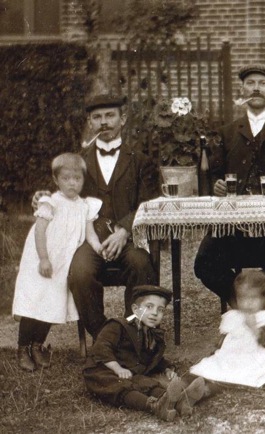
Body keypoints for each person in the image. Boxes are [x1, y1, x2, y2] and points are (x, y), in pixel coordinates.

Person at [34, 93, 159, 339]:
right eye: (97, 117)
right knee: (80, 272)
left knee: (142, 265)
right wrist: (42, 197)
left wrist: (124, 231)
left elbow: (149, 204)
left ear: (123, 119)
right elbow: (61, 194)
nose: (104, 122)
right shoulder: (78, 162)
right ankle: (105, 336)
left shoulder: (141, 161)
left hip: (128, 239)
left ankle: (134, 333)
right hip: (88, 239)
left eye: (110, 116)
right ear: (90, 122)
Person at [194, 64, 265, 306]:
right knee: (204, 261)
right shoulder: (228, 131)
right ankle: (241, 303)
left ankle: (260, 304)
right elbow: (213, 173)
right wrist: (217, 185)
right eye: (250, 83)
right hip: (234, 226)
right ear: (242, 89)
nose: (256, 88)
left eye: (263, 83)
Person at [13, 153, 103, 371]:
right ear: (56, 180)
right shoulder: (50, 203)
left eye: (77, 179)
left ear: (83, 180)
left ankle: (37, 345)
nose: (72, 183)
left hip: (61, 266)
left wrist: (100, 248)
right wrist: (44, 258)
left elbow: (90, 233)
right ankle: (23, 348)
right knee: (35, 303)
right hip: (42, 261)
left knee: (51, 305)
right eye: (66, 178)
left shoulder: (85, 206)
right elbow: (39, 232)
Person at [83, 285, 211, 422]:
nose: (155, 313)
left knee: (147, 383)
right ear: (135, 309)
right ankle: (154, 406)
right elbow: (102, 348)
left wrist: (167, 369)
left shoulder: (151, 336)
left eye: (160, 310)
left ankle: (177, 402)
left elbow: (155, 359)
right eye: (149, 307)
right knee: (118, 385)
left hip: (131, 373)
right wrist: (117, 368)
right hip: (103, 370)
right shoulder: (118, 325)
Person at [190, 269, 265, 388]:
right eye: (242, 298)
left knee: (242, 375)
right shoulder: (235, 316)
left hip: (261, 361)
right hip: (236, 358)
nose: (247, 304)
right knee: (217, 368)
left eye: (253, 298)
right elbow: (223, 340)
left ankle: (206, 390)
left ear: (264, 298)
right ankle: (192, 389)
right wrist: (218, 350)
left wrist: (254, 328)